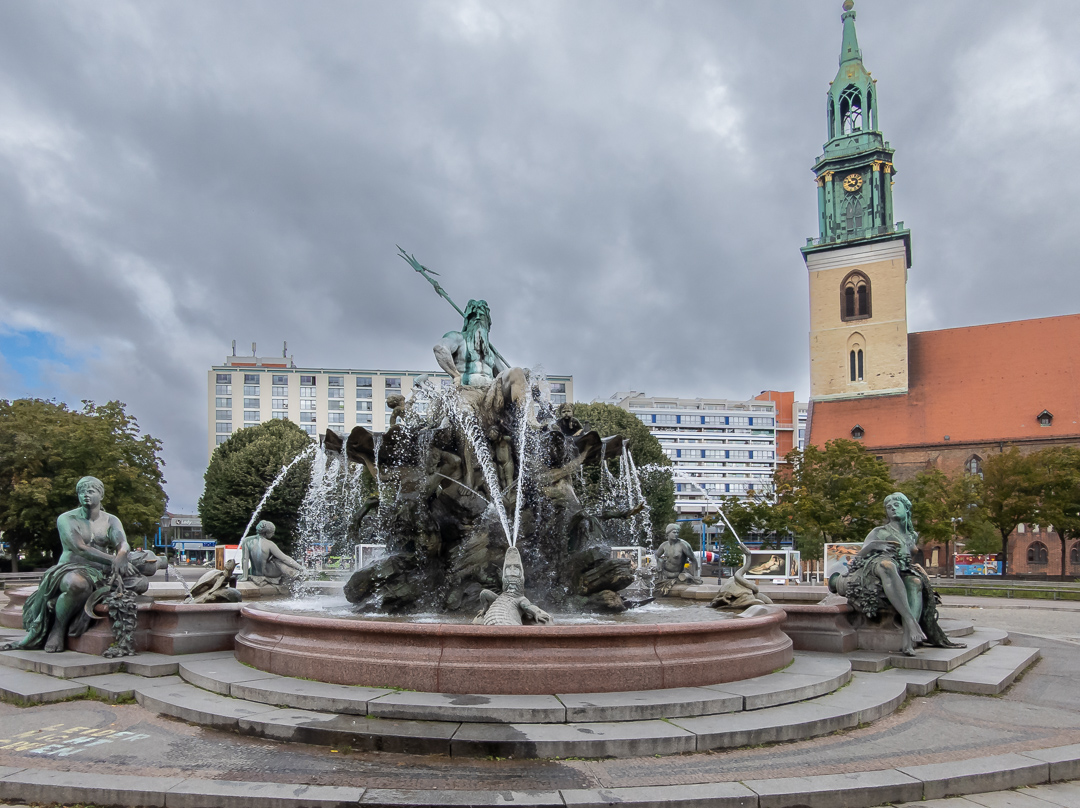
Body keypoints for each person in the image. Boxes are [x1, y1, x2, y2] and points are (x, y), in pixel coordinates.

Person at [2, 476, 160, 653]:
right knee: (78, 585)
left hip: (102, 571)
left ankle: (61, 603)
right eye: (81, 492)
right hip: (70, 568)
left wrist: (122, 553)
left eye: (91, 491)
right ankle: (58, 629)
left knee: (140, 583)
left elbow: (122, 542)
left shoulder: (111, 520)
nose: (85, 495)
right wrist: (114, 559)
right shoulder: (66, 519)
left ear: (101, 495)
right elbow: (80, 548)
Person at [830, 491, 963, 656]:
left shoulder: (911, 535)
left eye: (896, 505)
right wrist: (874, 546)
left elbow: (908, 557)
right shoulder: (879, 531)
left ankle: (908, 641)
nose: (892, 509)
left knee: (915, 583)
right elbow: (859, 556)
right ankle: (911, 621)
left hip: (899, 569)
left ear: (906, 508)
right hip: (875, 565)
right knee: (887, 565)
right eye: (888, 507)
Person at [433, 299, 538, 428]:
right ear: (467, 320)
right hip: (468, 392)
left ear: (488, 323)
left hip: (491, 394)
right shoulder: (458, 338)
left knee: (517, 371)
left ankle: (529, 422)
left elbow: (505, 374)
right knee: (465, 415)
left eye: (481, 316)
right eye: (473, 316)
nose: (477, 318)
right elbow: (440, 348)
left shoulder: (490, 352)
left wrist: (523, 376)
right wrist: (455, 375)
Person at [239, 520, 303, 586]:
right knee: (278, 560)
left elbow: (244, 559)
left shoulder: (246, 540)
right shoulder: (270, 544)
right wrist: (300, 567)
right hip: (266, 573)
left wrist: (245, 576)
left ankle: (294, 574)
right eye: (272, 532)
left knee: (273, 559)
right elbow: (285, 558)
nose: (273, 534)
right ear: (267, 533)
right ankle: (294, 574)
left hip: (253, 572)